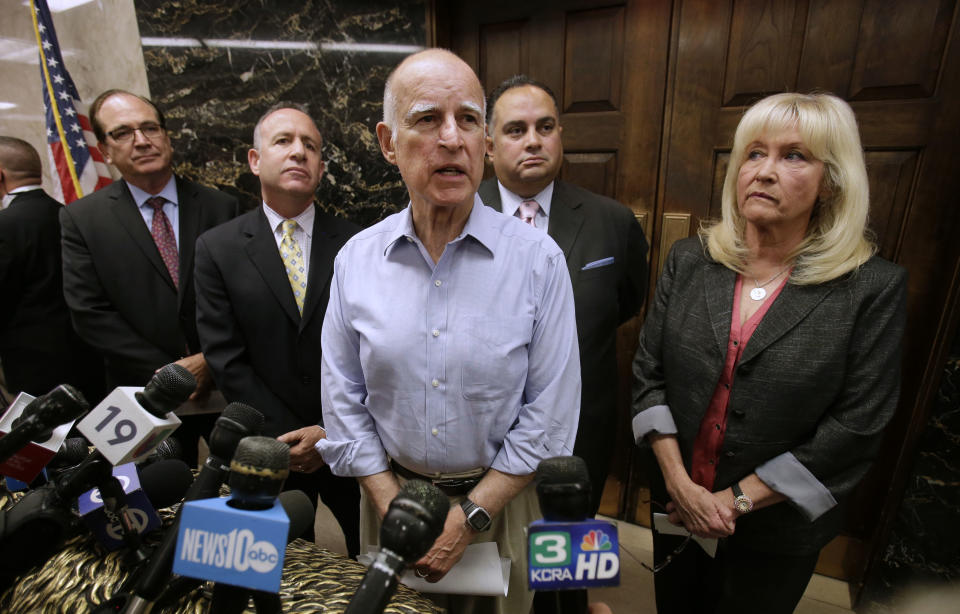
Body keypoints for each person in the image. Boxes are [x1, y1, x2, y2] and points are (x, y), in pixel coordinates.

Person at [317, 49, 581, 614]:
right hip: (388, 501)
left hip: (501, 506)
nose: (452, 138)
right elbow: (343, 399)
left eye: (467, 120)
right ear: (389, 142)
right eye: (427, 119)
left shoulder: (538, 261)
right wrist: (387, 501)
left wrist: (472, 514)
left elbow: (552, 413)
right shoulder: (357, 261)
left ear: (484, 142)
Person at [631, 92, 907, 613]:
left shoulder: (871, 288)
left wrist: (735, 501)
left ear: (832, 182)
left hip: (778, 530)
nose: (764, 171)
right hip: (677, 506)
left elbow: (856, 427)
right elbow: (649, 374)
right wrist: (678, 483)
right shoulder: (690, 260)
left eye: (794, 156)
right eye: (754, 154)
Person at [194, 103, 361, 554]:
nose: (298, 153)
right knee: (282, 565)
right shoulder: (217, 248)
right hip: (268, 443)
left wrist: (329, 430)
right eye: (283, 141)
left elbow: (376, 347)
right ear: (255, 160)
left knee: (372, 555)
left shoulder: (359, 243)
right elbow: (224, 355)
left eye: (310, 146)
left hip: (349, 435)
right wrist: (285, 436)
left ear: (322, 168)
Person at [480, 75, 648, 515]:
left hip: (578, 434)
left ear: (561, 137)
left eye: (546, 127)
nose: (533, 141)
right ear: (489, 145)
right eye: (516, 130)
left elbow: (625, 302)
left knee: (567, 564)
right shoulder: (455, 217)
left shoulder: (612, 221)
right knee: (488, 563)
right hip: (479, 434)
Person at [59, 90, 238, 460]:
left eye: (150, 128)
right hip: (141, 396)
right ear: (105, 151)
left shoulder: (222, 206)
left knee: (247, 501)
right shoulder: (82, 220)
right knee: (151, 506)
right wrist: (169, 373)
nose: (141, 141)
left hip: (227, 382)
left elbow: (247, 295)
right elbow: (89, 312)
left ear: (166, 136)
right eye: (122, 133)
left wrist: (208, 360)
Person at [0, 136, 102, 402]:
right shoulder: (70, 214)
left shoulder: (4, 225)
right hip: (91, 359)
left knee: (50, 444)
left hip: (34, 371)